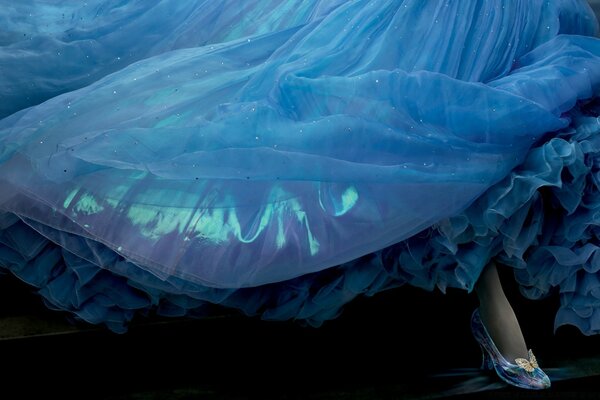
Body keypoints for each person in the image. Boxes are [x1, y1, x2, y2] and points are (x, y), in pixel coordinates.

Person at [1, 0, 600, 391]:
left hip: (516, 15)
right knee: (417, 116)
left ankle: (489, 296)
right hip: (414, 17)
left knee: (490, 112)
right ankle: (490, 301)